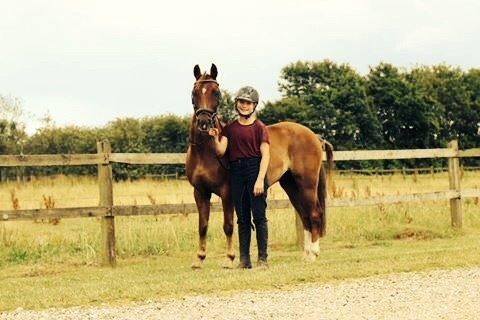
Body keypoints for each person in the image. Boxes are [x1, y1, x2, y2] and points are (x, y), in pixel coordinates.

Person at [209, 86, 270, 269]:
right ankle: (244, 260)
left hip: (254, 170)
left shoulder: (260, 128)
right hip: (236, 172)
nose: (244, 106)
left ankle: (262, 259)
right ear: (236, 104)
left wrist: (260, 179)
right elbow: (221, 151)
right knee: (242, 218)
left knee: (259, 217)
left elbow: (265, 155)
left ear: (254, 106)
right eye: (241, 102)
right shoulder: (230, 128)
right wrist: (215, 138)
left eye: (248, 103)